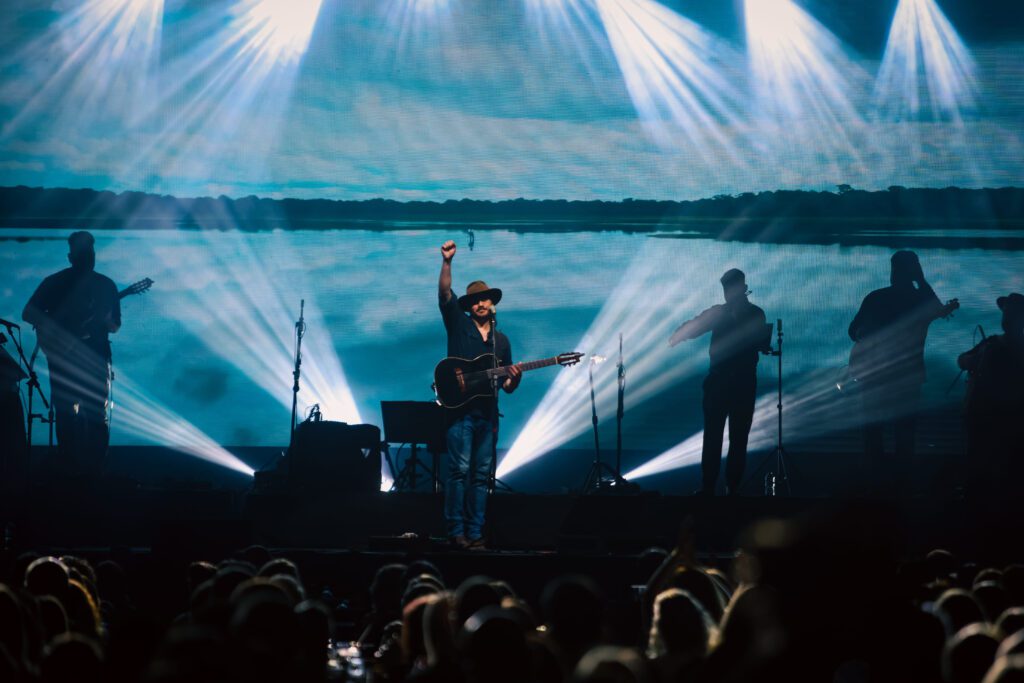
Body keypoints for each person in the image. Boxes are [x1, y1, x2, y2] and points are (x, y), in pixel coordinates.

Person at [848, 251, 956, 494]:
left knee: (874, 433)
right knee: (904, 434)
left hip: (875, 376)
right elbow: (938, 309)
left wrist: (863, 337)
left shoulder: (876, 297)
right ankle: (901, 488)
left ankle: (875, 486)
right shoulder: (920, 299)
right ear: (915, 271)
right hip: (907, 376)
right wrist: (922, 280)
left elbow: (854, 329)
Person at [438, 240, 521, 549]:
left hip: (487, 417)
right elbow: (445, 295)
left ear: (492, 303)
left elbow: (507, 388)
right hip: (460, 415)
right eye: (474, 301)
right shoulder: (459, 326)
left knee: (480, 475)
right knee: (459, 472)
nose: (480, 305)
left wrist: (515, 378)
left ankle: (475, 534)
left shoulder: (501, 341)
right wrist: (447, 263)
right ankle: (455, 532)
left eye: (484, 299)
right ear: (469, 306)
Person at [22, 231, 121, 479]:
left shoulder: (104, 285)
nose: (89, 257)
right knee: (75, 412)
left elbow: (114, 325)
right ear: (72, 256)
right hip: (70, 356)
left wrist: (104, 319)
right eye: (84, 253)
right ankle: (75, 467)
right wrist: (57, 328)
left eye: (89, 253)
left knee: (88, 412)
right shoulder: (58, 282)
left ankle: (89, 469)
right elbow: (29, 313)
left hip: (89, 356)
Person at [669, 269, 769, 496]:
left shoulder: (753, 314)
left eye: (728, 289)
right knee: (715, 436)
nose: (726, 294)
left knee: (737, 436)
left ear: (739, 289)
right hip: (722, 382)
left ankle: (730, 487)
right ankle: (710, 486)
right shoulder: (727, 312)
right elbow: (696, 325)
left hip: (739, 383)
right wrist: (679, 334)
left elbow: (759, 341)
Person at [957, 293, 1024, 500]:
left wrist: (973, 361)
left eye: (1010, 313)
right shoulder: (992, 344)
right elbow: (962, 360)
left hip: (993, 417)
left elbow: (962, 361)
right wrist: (973, 360)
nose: (1006, 317)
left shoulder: (992, 345)